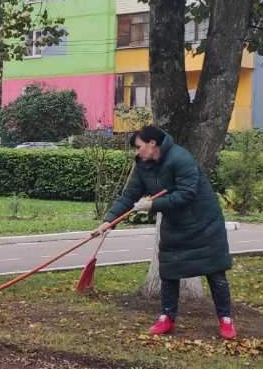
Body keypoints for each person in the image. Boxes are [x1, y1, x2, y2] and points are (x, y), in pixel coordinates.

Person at [99, 124, 237, 340]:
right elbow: (128, 196)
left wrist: (153, 205)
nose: (137, 152)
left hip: (204, 222)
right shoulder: (143, 166)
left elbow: (186, 194)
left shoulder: (181, 159)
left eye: (139, 146)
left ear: (152, 144)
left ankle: (226, 320)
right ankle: (166, 319)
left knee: (215, 270)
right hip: (175, 225)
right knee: (169, 271)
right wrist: (108, 221)